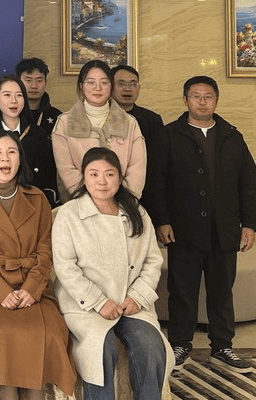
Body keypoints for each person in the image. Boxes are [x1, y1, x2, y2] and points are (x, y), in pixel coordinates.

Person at [148, 76, 256, 374]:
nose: (202, 101)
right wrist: (162, 220)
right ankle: (180, 345)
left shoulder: (232, 135)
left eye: (208, 96)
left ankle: (222, 347)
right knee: (182, 291)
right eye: (195, 96)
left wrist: (249, 224)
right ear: (185, 100)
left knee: (222, 292)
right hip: (183, 229)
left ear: (216, 100)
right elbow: (156, 182)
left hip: (224, 230)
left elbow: (249, 182)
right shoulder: (169, 135)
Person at [0, 130, 77, 400]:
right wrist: (1, 292)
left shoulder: (37, 198)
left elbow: (45, 251)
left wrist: (32, 289)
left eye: (12, 152)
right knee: (3, 333)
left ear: (20, 159)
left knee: (45, 331)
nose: (5, 158)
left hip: (30, 289)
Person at [52, 147, 172, 400]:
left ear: (119, 177)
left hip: (130, 304)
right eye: (94, 174)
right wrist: (98, 302)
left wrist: (137, 297)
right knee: (101, 350)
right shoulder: (69, 214)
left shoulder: (137, 213)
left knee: (150, 345)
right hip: (86, 307)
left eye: (109, 174)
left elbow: (152, 260)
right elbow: (65, 267)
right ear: (84, 177)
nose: (102, 181)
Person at [51, 60, 146, 202]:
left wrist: (123, 201)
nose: (98, 88)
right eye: (91, 82)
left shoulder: (129, 122)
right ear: (81, 86)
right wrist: (89, 201)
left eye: (104, 82)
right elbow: (66, 169)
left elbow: (137, 168)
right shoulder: (64, 123)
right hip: (79, 204)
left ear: (111, 86)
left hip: (122, 204)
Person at [0, 76, 59, 208]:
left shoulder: (38, 134)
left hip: (31, 205)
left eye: (19, 95)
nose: (14, 101)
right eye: (7, 95)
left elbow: (49, 177)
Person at [111, 64, 166, 215]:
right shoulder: (102, 117)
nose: (127, 89)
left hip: (146, 196)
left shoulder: (153, 120)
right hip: (109, 192)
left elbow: (158, 165)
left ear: (139, 88)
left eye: (133, 84)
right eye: (121, 84)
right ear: (110, 87)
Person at [16, 58, 62, 138]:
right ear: (18, 82)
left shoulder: (57, 117)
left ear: (45, 82)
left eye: (39, 80)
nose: (34, 86)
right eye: (28, 80)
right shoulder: (10, 113)